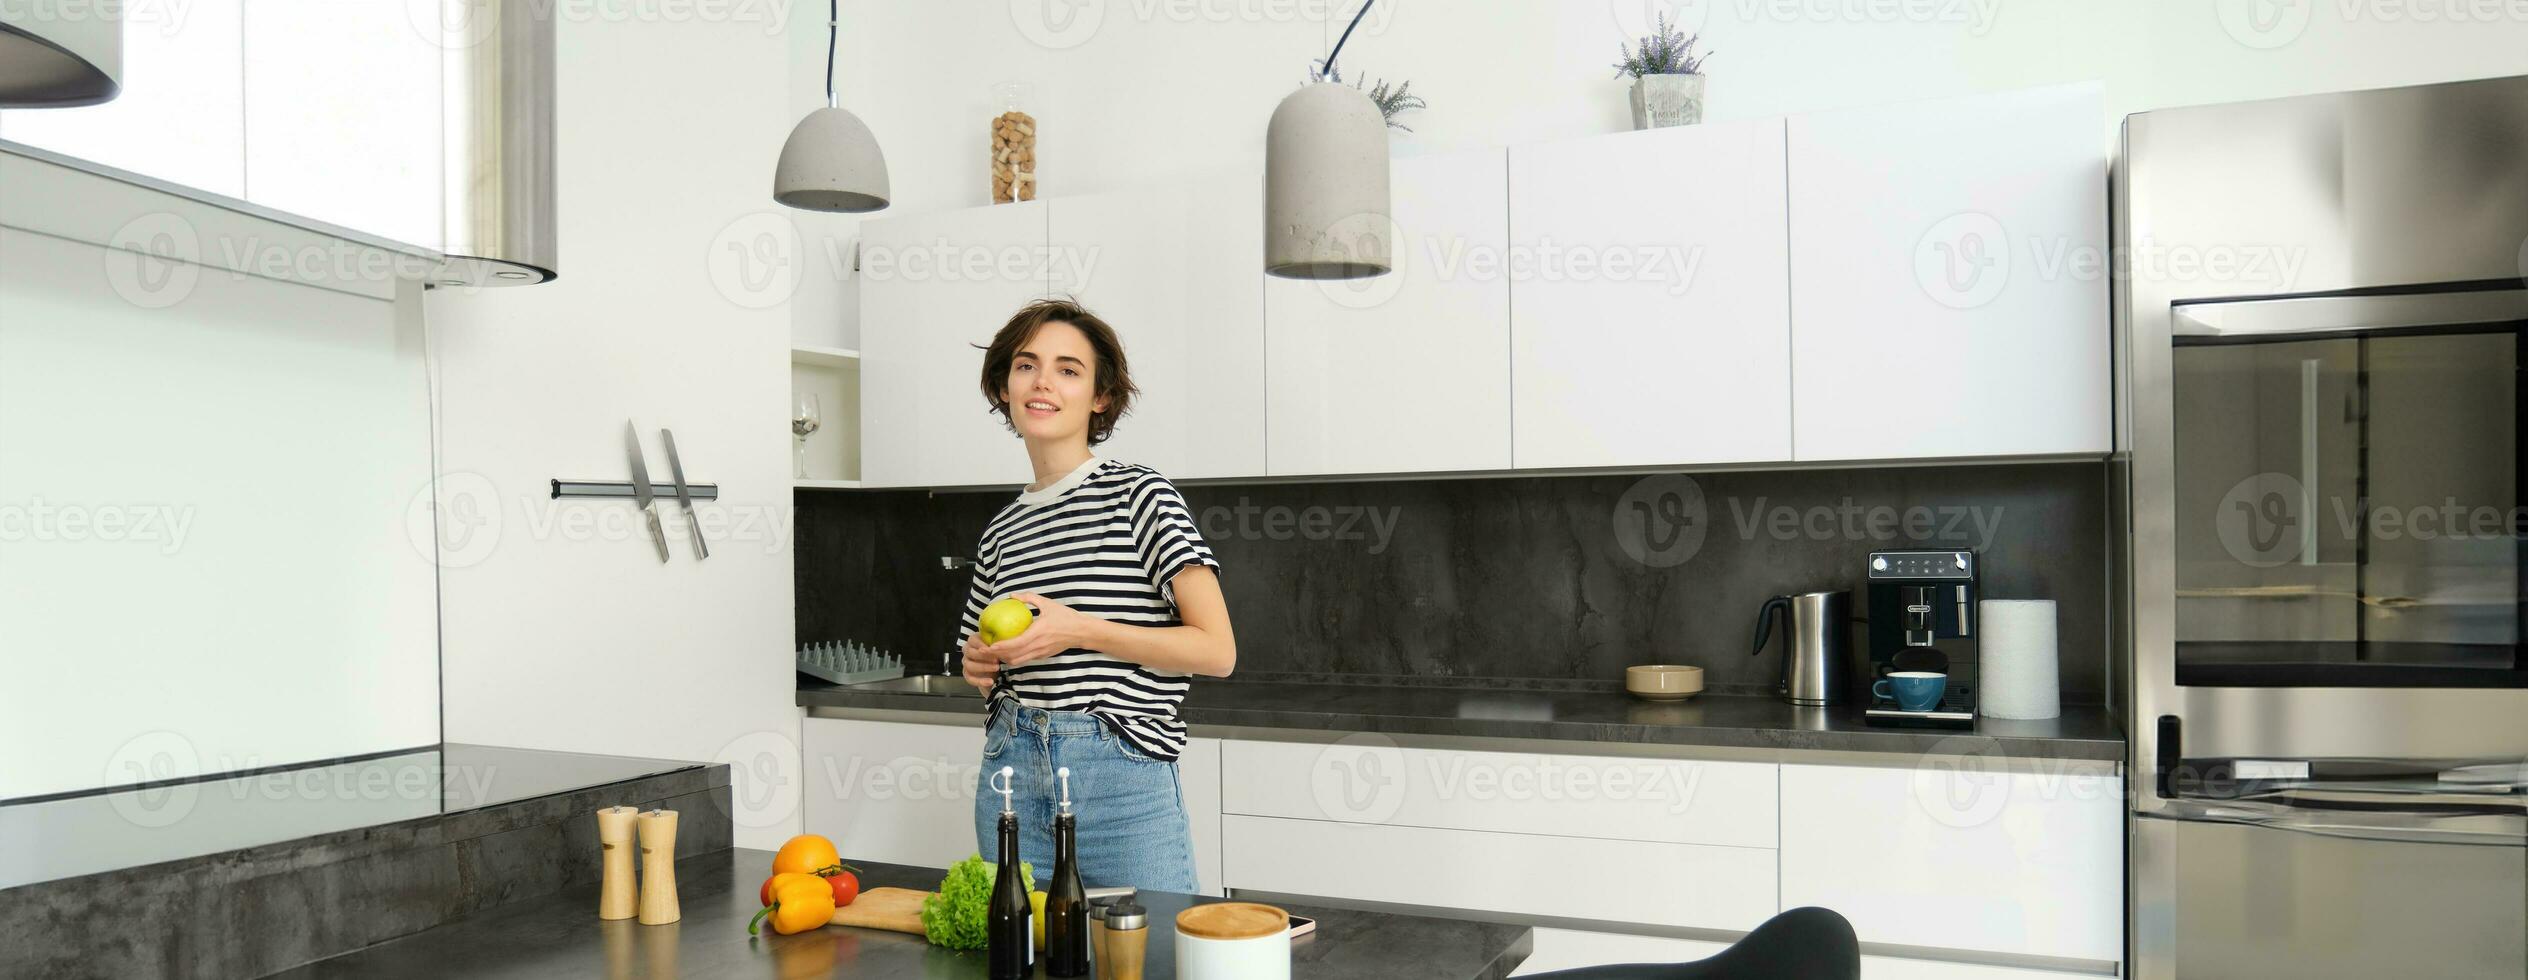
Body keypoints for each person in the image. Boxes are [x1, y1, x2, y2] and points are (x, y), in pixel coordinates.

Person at [958, 297, 1235, 893]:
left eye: (1068, 369)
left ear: (1100, 397)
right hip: (1011, 769)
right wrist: (978, 661)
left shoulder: (1141, 495)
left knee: (1150, 958)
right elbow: (978, 661)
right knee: (1021, 956)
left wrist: (1078, 628)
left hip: (1121, 780)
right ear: (1005, 386)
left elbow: (1217, 650)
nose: (1043, 383)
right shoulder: (1001, 529)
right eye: (1026, 365)